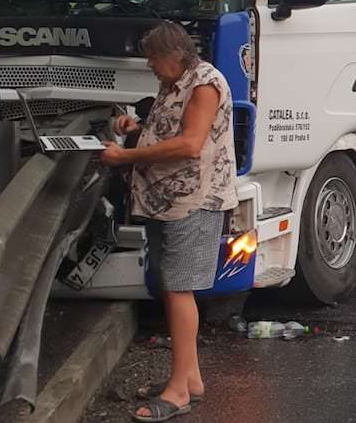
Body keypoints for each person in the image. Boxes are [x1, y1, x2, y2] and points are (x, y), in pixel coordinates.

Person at [101, 22, 237, 422]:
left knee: (179, 289)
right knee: (171, 285)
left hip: (194, 201)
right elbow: (170, 132)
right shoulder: (176, 82)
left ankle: (177, 392)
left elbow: (190, 144)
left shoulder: (205, 83)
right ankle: (190, 380)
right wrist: (137, 131)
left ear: (174, 54)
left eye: (153, 59)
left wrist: (123, 157)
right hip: (166, 200)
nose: (150, 66)